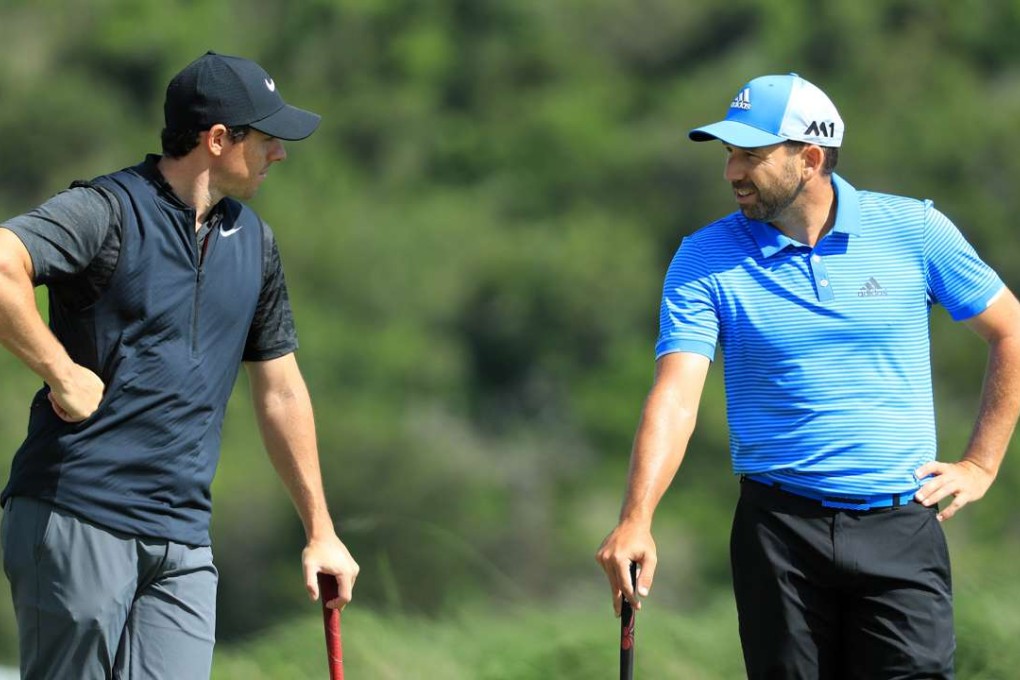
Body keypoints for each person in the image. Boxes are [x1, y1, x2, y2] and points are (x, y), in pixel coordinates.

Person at [595, 72, 1020, 678]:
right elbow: (676, 397)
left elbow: (1011, 331)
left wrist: (982, 464)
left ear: (810, 158)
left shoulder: (914, 230)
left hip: (900, 525)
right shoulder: (703, 257)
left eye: (751, 155)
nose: (731, 172)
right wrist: (637, 517)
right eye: (729, 154)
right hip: (779, 533)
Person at [0, 51, 359, 679]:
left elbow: (280, 391)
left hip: (183, 541)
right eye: (268, 139)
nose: (280, 154)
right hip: (79, 513)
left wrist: (320, 530)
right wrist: (62, 372)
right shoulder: (106, 210)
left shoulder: (255, 244)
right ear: (218, 140)